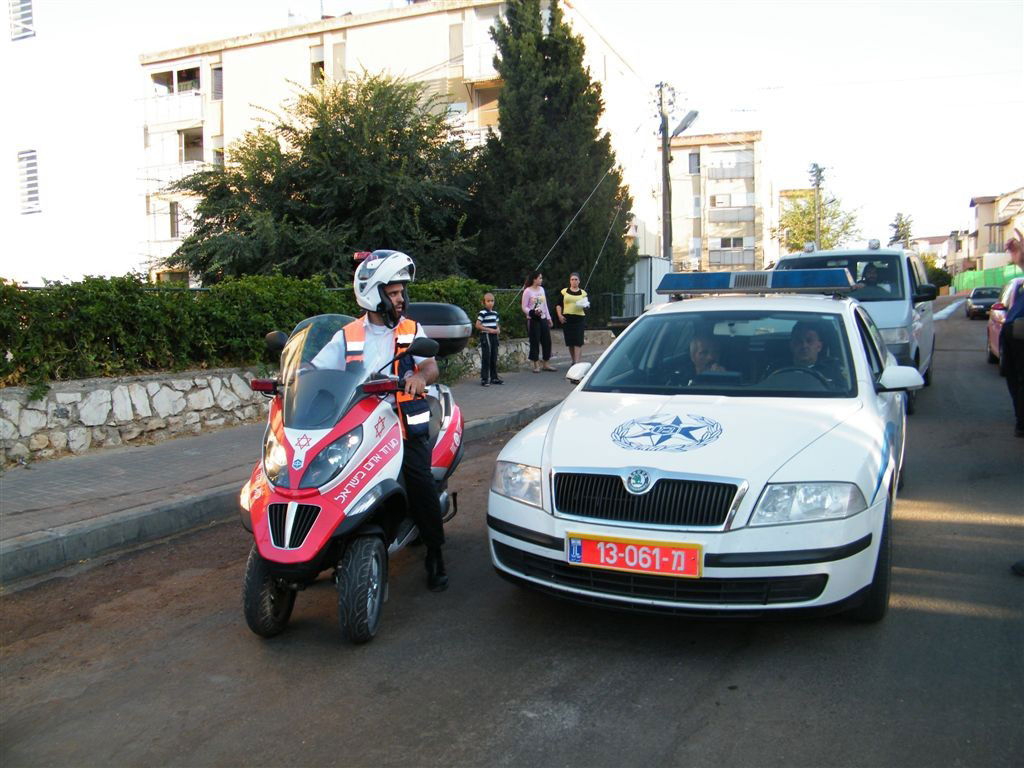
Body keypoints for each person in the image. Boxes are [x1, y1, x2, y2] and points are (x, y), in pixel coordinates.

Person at [310, 250, 448, 592]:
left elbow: (431, 366)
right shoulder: (347, 335)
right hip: (357, 424)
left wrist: (420, 379)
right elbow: (315, 369)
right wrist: (295, 380)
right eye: (395, 293)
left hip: (402, 424)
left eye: (402, 293)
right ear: (374, 294)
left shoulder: (410, 330)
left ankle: (435, 552)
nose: (402, 299)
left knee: (419, 481)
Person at [766, 320, 843, 385]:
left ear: (819, 346)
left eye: (809, 341)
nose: (804, 345)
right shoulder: (776, 368)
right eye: (799, 341)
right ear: (791, 345)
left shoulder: (832, 370)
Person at [522, 271, 556, 372]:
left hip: (543, 317)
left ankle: (546, 363)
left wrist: (549, 318)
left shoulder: (542, 289)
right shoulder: (527, 291)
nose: (541, 280)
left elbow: (544, 305)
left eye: (541, 278)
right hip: (533, 319)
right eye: (540, 278)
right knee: (535, 340)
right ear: (534, 279)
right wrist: (531, 312)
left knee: (547, 341)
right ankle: (536, 364)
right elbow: (524, 306)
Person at [556, 272, 588, 365]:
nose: (574, 281)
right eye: (572, 279)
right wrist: (560, 315)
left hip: (579, 319)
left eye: (576, 279)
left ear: (579, 281)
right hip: (567, 319)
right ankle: (573, 360)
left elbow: (586, 305)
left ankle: (577, 362)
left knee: (578, 341)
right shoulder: (564, 291)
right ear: (570, 281)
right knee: (570, 341)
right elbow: (558, 305)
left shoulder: (583, 293)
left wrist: (585, 305)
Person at [475, 292, 502, 387]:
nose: (490, 303)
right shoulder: (482, 313)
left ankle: (494, 377)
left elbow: (497, 324)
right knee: (487, 356)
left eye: (492, 301)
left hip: (494, 337)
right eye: (488, 301)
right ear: (484, 302)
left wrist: (498, 330)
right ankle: (484, 378)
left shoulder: (495, 313)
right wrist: (489, 330)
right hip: (486, 336)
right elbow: (477, 325)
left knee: (494, 356)